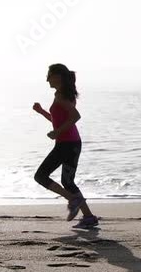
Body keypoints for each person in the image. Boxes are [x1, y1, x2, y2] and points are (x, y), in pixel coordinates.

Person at [32, 63, 99, 228]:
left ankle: (72, 199)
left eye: (49, 75)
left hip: (67, 144)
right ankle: (89, 217)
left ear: (57, 77)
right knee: (68, 182)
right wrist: (42, 112)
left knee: (40, 176)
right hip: (72, 143)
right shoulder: (62, 94)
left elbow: (75, 116)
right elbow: (58, 120)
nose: (47, 79)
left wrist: (57, 132)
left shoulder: (62, 95)